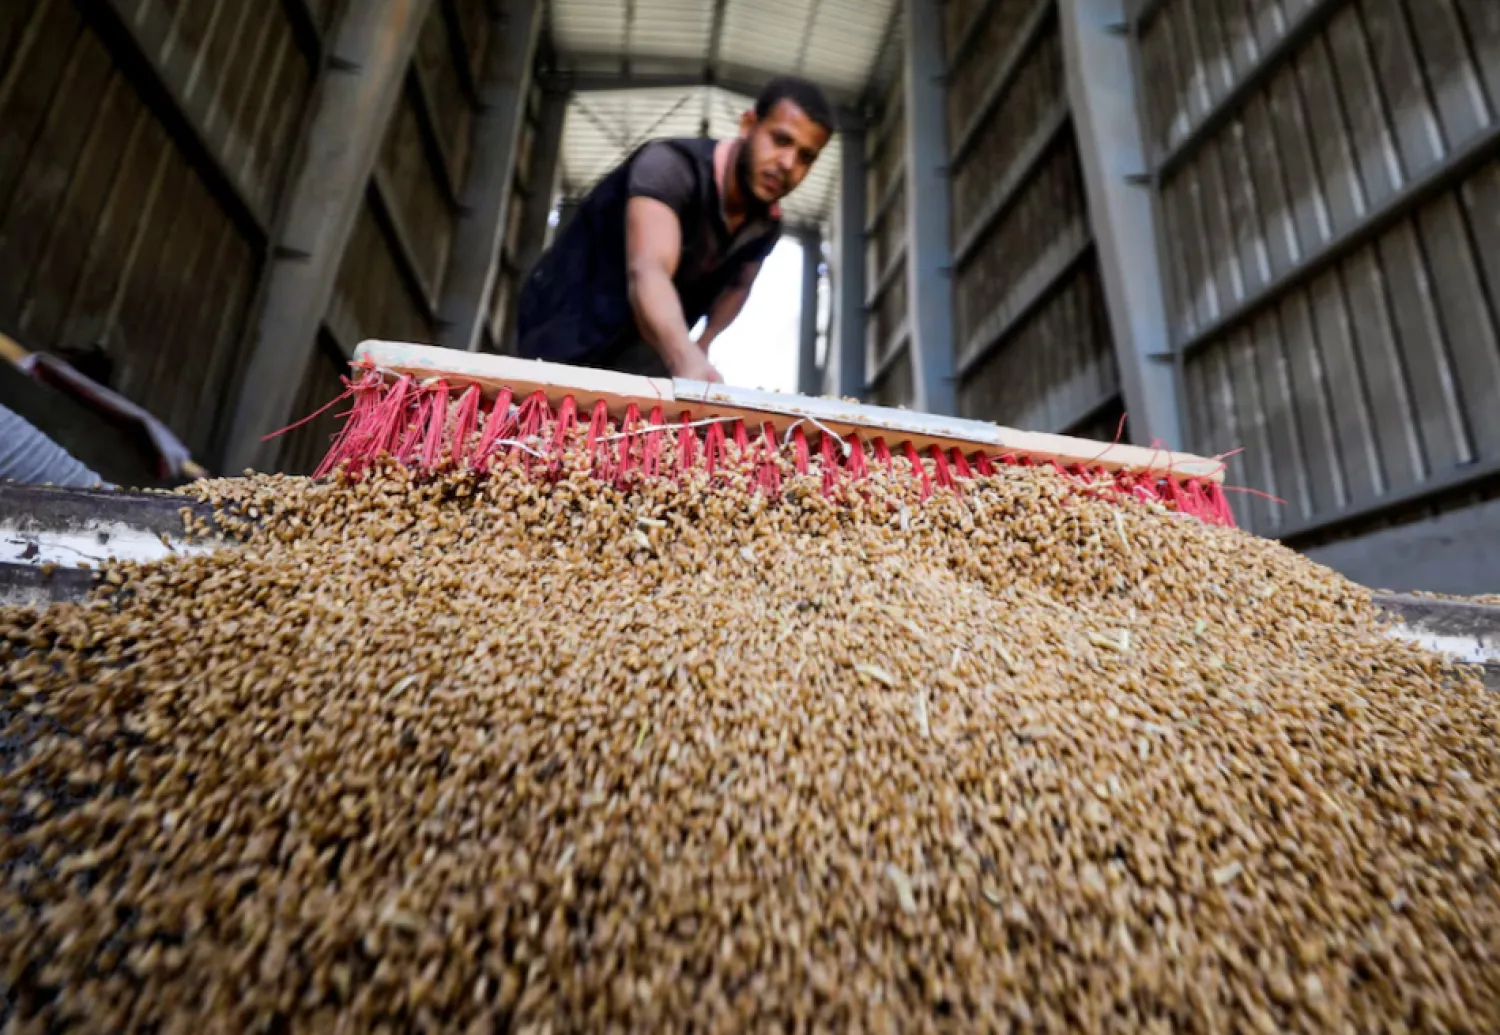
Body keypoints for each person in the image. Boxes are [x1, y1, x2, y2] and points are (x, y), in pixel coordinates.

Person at [515, 75, 834, 383]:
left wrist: (704, 343)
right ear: (748, 125)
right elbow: (649, 269)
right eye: (781, 140)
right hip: (566, 320)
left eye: (806, 157)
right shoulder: (669, 166)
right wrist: (686, 358)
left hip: (643, 352)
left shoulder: (766, 225)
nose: (788, 163)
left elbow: (739, 285)